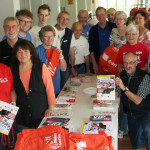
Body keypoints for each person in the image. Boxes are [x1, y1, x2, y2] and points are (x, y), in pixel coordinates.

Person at [11, 39, 56, 129]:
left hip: (40, 110)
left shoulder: (41, 66)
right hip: (22, 112)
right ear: (16, 55)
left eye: (25, 51)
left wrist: (50, 107)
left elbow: (49, 88)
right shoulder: (13, 69)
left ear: (31, 53)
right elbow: (13, 89)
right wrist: (13, 103)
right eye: (19, 52)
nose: (23, 54)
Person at [115, 52, 150, 149]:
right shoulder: (121, 75)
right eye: (125, 63)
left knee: (148, 130)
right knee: (136, 144)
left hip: (145, 112)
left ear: (136, 63)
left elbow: (138, 101)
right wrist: (104, 97)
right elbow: (116, 92)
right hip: (130, 114)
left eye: (131, 63)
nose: (128, 66)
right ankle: (142, 134)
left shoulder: (145, 77)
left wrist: (124, 88)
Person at [109, 11, 128, 138]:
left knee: (124, 100)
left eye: (121, 18)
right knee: (114, 97)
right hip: (114, 67)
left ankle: (122, 128)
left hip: (126, 68)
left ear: (125, 20)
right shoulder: (114, 31)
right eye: (117, 18)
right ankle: (112, 125)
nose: (118, 20)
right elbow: (110, 49)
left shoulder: (130, 31)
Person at [36, 25, 66, 96]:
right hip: (43, 89)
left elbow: (63, 69)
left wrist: (61, 57)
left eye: (51, 36)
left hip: (55, 88)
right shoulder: (37, 51)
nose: (49, 38)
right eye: (46, 36)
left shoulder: (56, 50)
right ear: (41, 38)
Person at [89, 7, 116, 74]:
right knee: (100, 83)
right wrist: (94, 63)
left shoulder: (113, 27)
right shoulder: (93, 30)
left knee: (113, 83)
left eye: (102, 14)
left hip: (112, 62)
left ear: (106, 15)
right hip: (99, 62)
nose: (101, 17)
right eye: (98, 15)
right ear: (96, 17)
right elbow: (91, 48)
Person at [55, 11, 77, 87]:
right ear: (57, 19)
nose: (64, 21)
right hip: (53, 66)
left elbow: (72, 51)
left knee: (65, 87)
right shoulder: (51, 31)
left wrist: (72, 67)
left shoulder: (70, 33)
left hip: (66, 66)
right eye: (62, 18)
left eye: (67, 19)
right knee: (54, 87)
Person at [0, 63, 16, 150]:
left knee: (8, 143)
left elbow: (12, 90)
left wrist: (13, 103)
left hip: (6, 114)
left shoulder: (6, 69)